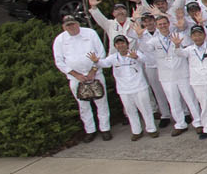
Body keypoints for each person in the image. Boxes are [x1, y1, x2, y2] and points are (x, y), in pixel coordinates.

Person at [53, 12, 110, 142]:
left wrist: (93, 71)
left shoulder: (90, 33)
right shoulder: (60, 40)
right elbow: (59, 61)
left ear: (78, 23)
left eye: (73, 24)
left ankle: (105, 129)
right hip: (76, 78)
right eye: (68, 25)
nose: (71, 27)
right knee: (83, 106)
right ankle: (90, 130)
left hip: (95, 74)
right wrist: (76, 75)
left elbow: (101, 53)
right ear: (64, 27)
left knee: (101, 102)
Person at [96, 33, 155, 140]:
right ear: (115, 46)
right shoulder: (113, 57)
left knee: (145, 109)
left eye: (122, 42)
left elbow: (146, 60)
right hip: (124, 90)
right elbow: (104, 64)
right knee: (130, 111)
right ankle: (136, 131)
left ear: (127, 44)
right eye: (118, 44)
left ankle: (151, 129)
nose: (120, 45)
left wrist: (136, 57)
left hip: (139, 87)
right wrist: (96, 61)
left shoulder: (135, 53)